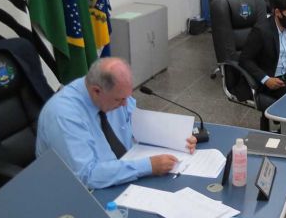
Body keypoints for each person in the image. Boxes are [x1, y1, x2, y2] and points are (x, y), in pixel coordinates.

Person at [36, 57, 197, 189]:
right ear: (96, 91)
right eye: (119, 100)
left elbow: (138, 125)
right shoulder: (64, 116)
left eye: (127, 97)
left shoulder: (111, 94)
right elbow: (86, 176)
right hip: (83, 192)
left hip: (122, 171)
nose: (125, 104)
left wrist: (179, 139)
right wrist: (148, 166)